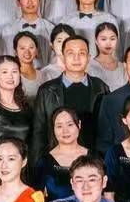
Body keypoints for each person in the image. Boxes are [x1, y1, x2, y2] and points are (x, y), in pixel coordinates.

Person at [28, 34, 110, 167]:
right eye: (71, 53)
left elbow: (107, 131)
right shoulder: (47, 90)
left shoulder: (100, 87)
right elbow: (38, 133)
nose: (76, 58)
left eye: (81, 53)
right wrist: (38, 168)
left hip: (92, 164)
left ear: (89, 57)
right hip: (56, 163)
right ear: (62, 57)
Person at [37, 107, 88, 202]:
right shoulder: (44, 162)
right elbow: (37, 198)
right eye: (59, 126)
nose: (65, 131)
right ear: (53, 129)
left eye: (70, 125)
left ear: (79, 124)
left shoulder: (93, 157)